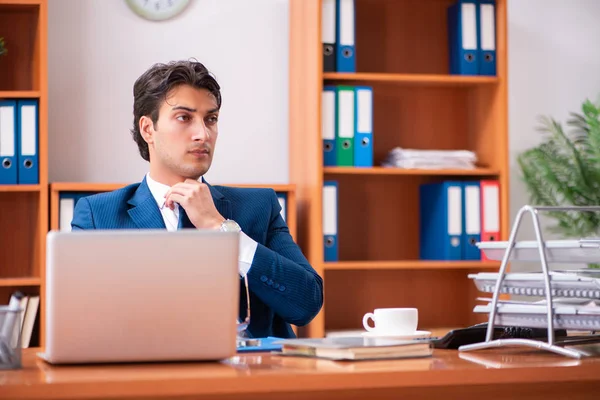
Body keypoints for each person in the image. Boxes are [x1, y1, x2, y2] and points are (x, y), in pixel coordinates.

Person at [71, 59, 323, 339]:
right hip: (148, 377)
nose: (203, 134)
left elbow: (306, 304)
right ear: (147, 129)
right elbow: (81, 325)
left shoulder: (258, 206)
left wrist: (221, 229)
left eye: (210, 119)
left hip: (247, 377)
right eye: (184, 118)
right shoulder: (98, 215)